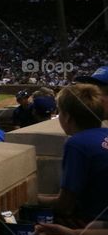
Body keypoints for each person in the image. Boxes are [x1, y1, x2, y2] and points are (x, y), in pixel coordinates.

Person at [37, 84, 108, 225]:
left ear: (68, 117)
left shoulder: (76, 144)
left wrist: (32, 198)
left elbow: (65, 205)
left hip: (97, 222)